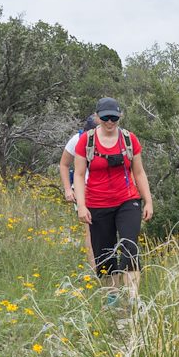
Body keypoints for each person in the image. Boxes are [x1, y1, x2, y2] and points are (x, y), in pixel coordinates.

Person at [72, 97, 153, 303]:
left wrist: (148, 201)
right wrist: (81, 206)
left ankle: (134, 298)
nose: (110, 122)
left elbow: (140, 172)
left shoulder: (129, 139)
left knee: (129, 246)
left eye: (114, 118)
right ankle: (113, 296)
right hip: (97, 203)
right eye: (106, 118)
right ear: (97, 117)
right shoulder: (86, 141)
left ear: (120, 118)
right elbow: (79, 175)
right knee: (104, 253)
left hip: (128, 200)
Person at [59, 114, 98, 270]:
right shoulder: (77, 140)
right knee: (90, 230)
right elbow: (64, 164)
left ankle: (109, 267)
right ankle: (96, 270)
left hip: (106, 189)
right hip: (83, 189)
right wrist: (68, 189)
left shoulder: (113, 138)